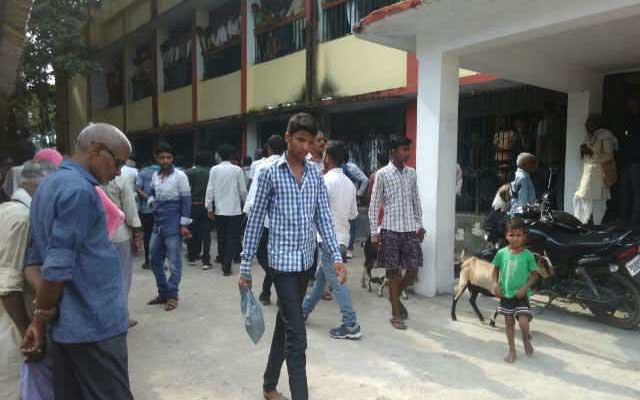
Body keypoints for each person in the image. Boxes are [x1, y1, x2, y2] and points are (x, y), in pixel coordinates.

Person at [21, 123, 134, 399]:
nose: (118, 172)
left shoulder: (47, 186)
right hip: (95, 327)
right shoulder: (79, 191)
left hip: (66, 330)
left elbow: (33, 264)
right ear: (96, 150)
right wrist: (43, 315)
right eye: (118, 163)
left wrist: (41, 318)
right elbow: (56, 267)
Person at [239, 113, 346, 400]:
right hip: (281, 265)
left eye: (311, 142)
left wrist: (336, 257)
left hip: (306, 263)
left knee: (285, 323)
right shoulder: (269, 173)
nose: (305, 148)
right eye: (300, 140)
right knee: (297, 338)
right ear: (288, 138)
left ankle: (269, 385)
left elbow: (323, 218)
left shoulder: (315, 174)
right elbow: (255, 220)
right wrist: (245, 267)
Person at [0, 160, 56, 400]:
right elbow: (7, 286)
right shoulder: (22, 217)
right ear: (41, 183)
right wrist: (28, 333)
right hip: (11, 325)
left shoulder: (8, 210)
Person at [302, 140, 361, 339]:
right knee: (321, 279)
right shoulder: (349, 184)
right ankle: (303, 311)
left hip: (328, 239)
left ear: (328, 157)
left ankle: (350, 324)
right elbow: (353, 214)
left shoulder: (325, 180)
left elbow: (313, 210)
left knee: (336, 282)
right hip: (342, 238)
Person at [369, 135, 425, 330]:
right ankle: (396, 314)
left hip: (409, 229)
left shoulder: (412, 173)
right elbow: (374, 204)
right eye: (404, 150)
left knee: (413, 271)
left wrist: (419, 224)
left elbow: (416, 200)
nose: (407, 153)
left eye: (408, 150)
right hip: (390, 230)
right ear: (393, 152)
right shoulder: (382, 174)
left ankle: (394, 297)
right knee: (393, 272)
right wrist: (374, 232)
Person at [147, 142, 192, 311]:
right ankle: (163, 292)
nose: (165, 160)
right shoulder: (155, 176)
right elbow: (151, 193)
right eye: (162, 157)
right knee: (153, 258)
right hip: (158, 222)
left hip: (174, 222)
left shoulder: (180, 176)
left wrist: (184, 225)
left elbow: (186, 200)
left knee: (174, 261)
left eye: (168, 157)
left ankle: (172, 295)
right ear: (156, 159)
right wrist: (151, 201)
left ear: (172, 158)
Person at [243, 135, 286, 305]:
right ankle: (267, 292)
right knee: (275, 257)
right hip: (282, 222)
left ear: (268, 149)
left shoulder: (262, 167)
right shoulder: (290, 167)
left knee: (262, 255)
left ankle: (277, 286)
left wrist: (248, 214)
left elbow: (254, 195)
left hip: (264, 221)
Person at [491, 217, 538, 364]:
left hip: (521, 296)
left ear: (524, 236)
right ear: (506, 235)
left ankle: (525, 339)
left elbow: (534, 275)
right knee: (509, 323)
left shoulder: (528, 255)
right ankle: (512, 350)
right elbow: (495, 270)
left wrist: (524, 288)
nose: (515, 238)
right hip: (506, 295)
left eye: (518, 235)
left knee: (523, 323)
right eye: (511, 235)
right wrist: (495, 285)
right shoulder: (501, 253)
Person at [103, 172, 143, 327]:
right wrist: (136, 230)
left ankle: (105, 317)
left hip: (96, 236)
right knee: (122, 277)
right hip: (119, 234)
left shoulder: (86, 175)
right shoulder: (121, 178)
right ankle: (121, 317)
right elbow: (130, 207)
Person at [205, 144, 247, 276]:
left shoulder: (214, 170)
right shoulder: (237, 170)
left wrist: (209, 207)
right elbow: (242, 190)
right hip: (234, 210)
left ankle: (223, 260)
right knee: (232, 237)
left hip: (219, 210)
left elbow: (210, 189)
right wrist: (246, 206)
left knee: (221, 237)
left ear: (219, 156)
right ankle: (227, 265)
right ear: (232, 155)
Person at [574, 114, 618, 225]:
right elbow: (585, 154)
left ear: (596, 124)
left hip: (598, 175)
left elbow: (609, 156)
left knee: (597, 204)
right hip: (588, 174)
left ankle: (595, 226)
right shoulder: (590, 136)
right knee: (580, 199)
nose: (587, 126)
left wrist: (592, 154)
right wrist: (583, 150)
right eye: (587, 123)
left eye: (590, 123)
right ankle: (583, 224)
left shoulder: (605, 136)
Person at [186, 150, 214, 269]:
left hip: (192, 205)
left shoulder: (188, 172)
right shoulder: (211, 172)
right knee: (206, 233)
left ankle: (192, 255)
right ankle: (206, 260)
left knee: (192, 230)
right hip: (207, 205)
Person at [618, 97, 640, 227]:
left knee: (636, 192)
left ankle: (634, 221)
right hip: (627, 161)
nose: (629, 105)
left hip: (636, 161)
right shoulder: (629, 119)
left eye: (632, 103)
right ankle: (623, 219)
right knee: (625, 191)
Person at [136, 162, 160, 269]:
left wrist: (149, 199)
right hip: (162, 210)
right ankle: (159, 261)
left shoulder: (143, 172)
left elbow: (138, 188)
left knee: (147, 236)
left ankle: (148, 261)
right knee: (161, 236)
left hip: (146, 210)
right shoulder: (166, 171)